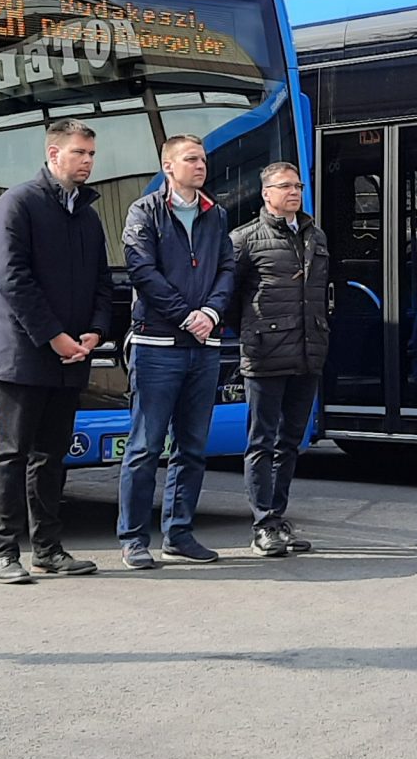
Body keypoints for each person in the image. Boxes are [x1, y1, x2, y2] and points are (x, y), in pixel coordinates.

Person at [0, 120, 113, 584]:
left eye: (91, 154)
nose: (88, 162)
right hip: (24, 355)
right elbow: (12, 280)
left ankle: (49, 549)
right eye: (79, 153)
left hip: (72, 355)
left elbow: (102, 281)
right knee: (13, 454)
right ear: (54, 155)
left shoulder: (88, 215)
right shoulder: (17, 204)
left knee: (52, 457)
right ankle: (3, 551)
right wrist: (54, 336)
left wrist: (96, 331)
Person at [116, 135, 236, 568]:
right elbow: (142, 271)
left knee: (193, 447)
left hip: (204, 348)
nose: (200, 165)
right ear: (168, 166)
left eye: (202, 159)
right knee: (146, 447)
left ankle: (179, 533)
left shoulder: (215, 214)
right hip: (157, 346)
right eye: (191, 159)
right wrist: (187, 315)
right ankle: (133, 539)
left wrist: (211, 312)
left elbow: (227, 268)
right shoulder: (144, 211)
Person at [227, 162, 328, 557]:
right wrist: (254, 332)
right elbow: (230, 297)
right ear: (266, 193)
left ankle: (278, 518)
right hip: (265, 353)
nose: (294, 192)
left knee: (289, 442)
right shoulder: (245, 239)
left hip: (308, 351)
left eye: (298, 186)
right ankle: (262, 524)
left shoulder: (314, 235)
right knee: (261, 441)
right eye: (285, 186)